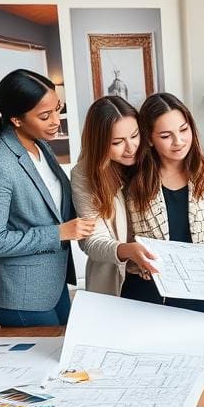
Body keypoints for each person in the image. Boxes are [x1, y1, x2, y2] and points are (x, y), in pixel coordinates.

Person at [0, 69, 93, 327]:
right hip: (18, 291)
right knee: (44, 361)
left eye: (58, 109)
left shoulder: (39, 145)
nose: (56, 121)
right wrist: (58, 233)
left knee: (62, 353)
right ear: (16, 119)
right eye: (45, 115)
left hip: (51, 280)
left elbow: (52, 205)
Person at [123, 92, 204, 316]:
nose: (179, 141)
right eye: (166, 135)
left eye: (184, 130)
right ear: (149, 138)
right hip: (149, 293)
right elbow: (124, 238)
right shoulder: (132, 179)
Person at [71, 95, 148, 296]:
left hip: (156, 276)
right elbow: (92, 241)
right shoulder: (84, 175)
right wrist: (127, 250)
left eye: (135, 135)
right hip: (115, 280)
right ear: (99, 143)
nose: (131, 147)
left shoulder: (150, 162)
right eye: (117, 142)